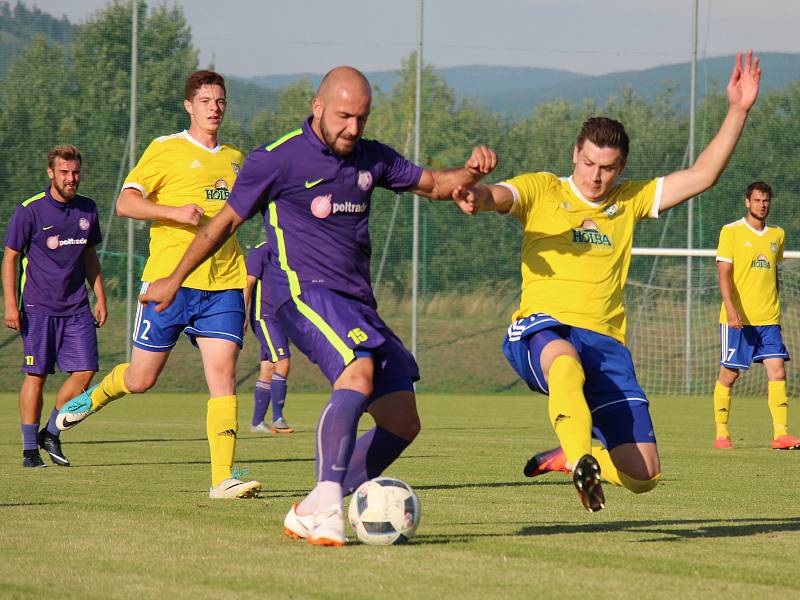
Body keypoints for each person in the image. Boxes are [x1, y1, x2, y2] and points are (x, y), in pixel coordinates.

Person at [138, 66, 497, 546]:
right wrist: (173, 280)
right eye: (345, 116)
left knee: (402, 420)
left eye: (362, 119)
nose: (353, 128)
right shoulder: (276, 159)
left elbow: (434, 183)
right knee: (357, 371)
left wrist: (468, 176)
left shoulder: (372, 158)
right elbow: (223, 223)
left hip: (355, 302)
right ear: (319, 107)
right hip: (298, 290)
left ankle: (310, 507)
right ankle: (329, 501)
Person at [452, 51, 761, 512]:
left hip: (607, 344)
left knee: (644, 476)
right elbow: (494, 195)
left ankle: (575, 456)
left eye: (608, 168)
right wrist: (472, 189)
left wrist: (738, 110)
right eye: (589, 163)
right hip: (542, 327)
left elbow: (703, 175)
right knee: (564, 362)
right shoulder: (542, 190)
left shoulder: (629, 200)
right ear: (575, 154)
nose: (595, 177)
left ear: (622, 168)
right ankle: (581, 460)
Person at [57, 70, 260, 499]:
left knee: (223, 375)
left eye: (220, 100)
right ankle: (89, 401)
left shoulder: (236, 159)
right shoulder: (166, 149)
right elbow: (126, 202)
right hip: (169, 283)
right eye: (205, 101)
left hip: (223, 284)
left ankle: (223, 478)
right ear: (189, 106)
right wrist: (172, 212)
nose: (214, 108)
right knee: (141, 379)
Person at [2, 144, 106, 468]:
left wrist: (100, 296)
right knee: (37, 375)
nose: (71, 178)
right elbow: (11, 259)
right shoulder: (30, 210)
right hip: (37, 306)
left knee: (86, 372)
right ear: (51, 173)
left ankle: (51, 430)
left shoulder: (88, 210)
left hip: (76, 308)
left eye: (75, 172)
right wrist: (10, 305)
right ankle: (30, 450)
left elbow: (90, 256)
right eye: (64, 172)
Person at [713, 181, 800, 450]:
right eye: (757, 200)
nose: (762, 204)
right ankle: (722, 434)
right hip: (739, 320)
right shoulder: (731, 232)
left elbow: (772, 270)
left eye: (766, 200)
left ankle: (781, 434)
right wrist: (730, 309)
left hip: (769, 319)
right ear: (747, 202)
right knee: (729, 375)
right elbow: (724, 273)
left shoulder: (777, 235)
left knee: (778, 371)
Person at [244, 241, 293, 434]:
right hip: (265, 318)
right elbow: (248, 283)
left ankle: (257, 423)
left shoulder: (293, 251)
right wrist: (242, 314)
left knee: (268, 367)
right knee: (283, 361)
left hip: (284, 319)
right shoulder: (261, 251)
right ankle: (278, 418)